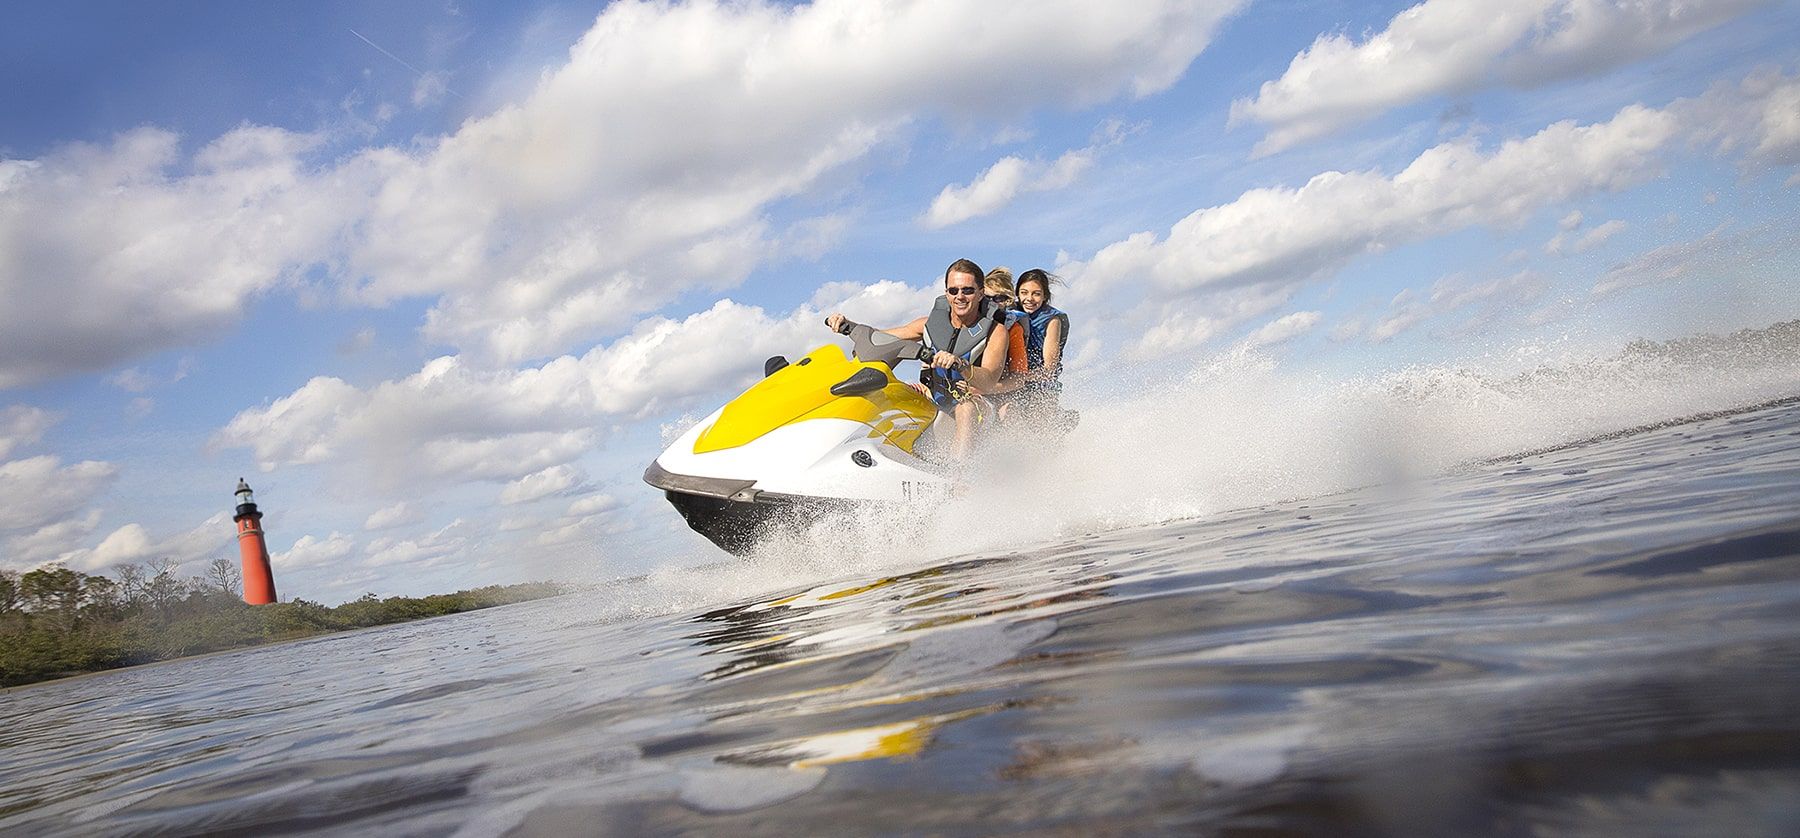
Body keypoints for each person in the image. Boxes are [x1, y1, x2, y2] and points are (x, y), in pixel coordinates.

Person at [826, 259, 1009, 461]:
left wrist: (960, 364)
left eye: (967, 290)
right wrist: (847, 325)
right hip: (934, 399)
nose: (960, 297)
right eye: (953, 290)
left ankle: (959, 482)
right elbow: (880, 338)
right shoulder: (928, 324)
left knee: (966, 409)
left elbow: (990, 380)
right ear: (946, 292)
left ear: (981, 293)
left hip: (977, 403)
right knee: (890, 391)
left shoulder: (995, 331)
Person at [995, 268, 1068, 420]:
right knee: (1007, 411)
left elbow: (1049, 369)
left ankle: (1055, 424)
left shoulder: (1052, 320)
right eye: (1024, 292)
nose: (1029, 298)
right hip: (1011, 380)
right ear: (1017, 294)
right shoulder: (1010, 313)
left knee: (1039, 414)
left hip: (1039, 382)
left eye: (1036, 294)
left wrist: (1020, 378)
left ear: (1045, 296)